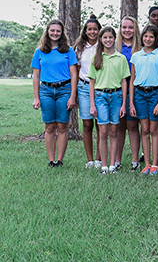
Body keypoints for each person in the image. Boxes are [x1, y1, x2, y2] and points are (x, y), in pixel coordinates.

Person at [31, 19, 78, 168]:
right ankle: (51, 160)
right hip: (46, 91)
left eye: (58, 31)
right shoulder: (39, 51)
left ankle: (60, 160)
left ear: (62, 33)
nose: (55, 33)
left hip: (64, 90)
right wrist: (36, 97)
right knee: (49, 127)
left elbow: (74, 74)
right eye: (52, 30)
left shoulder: (68, 50)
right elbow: (36, 76)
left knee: (62, 126)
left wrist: (72, 96)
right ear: (47, 32)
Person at [88, 26, 131, 175]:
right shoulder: (97, 58)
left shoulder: (121, 58)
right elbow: (92, 82)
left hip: (116, 96)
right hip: (100, 97)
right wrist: (92, 105)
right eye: (105, 37)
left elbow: (124, 81)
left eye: (110, 37)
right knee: (103, 131)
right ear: (101, 39)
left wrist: (124, 104)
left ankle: (113, 165)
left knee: (114, 131)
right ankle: (104, 166)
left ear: (115, 39)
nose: (108, 40)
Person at [129, 25, 158, 176]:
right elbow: (132, 79)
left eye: (151, 37)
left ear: (156, 38)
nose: (148, 39)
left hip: (155, 93)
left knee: (154, 129)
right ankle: (146, 164)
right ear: (142, 37)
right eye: (145, 36)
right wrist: (131, 103)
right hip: (139, 94)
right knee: (144, 130)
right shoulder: (136, 56)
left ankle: (155, 164)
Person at [74, 15, 102, 168]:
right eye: (89, 29)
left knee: (100, 124)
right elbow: (77, 70)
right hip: (84, 88)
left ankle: (99, 159)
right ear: (85, 31)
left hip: (100, 87)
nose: (92, 32)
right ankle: (90, 159)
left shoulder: (103, 46)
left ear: (99, 30)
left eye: (95, 29)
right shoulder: (79, 48)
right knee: (86, 124)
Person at [116, 16, 141, 170]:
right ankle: (117, 160)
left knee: (132, 126)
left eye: (130, 27)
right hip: (117, 90)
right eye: (124, 27)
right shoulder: (115, 46)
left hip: (135, 90)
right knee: (119, 126)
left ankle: (134, 160)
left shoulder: (140, 47)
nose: (127, 30)